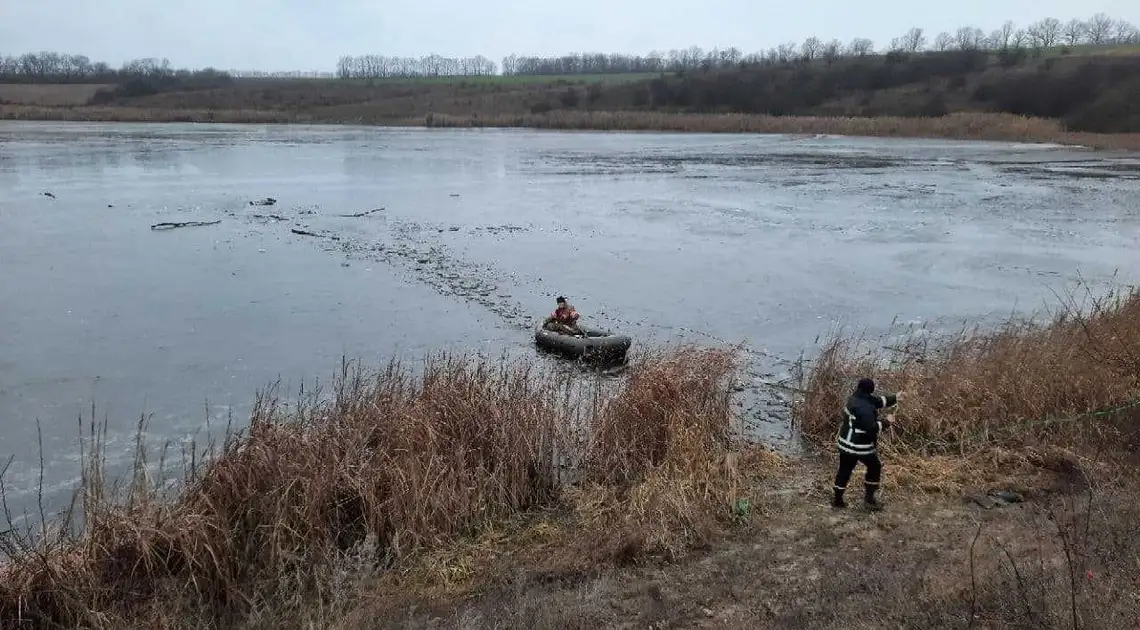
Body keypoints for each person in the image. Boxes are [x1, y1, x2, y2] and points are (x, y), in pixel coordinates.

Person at [832, 377, 903, 511]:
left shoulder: (855, 398)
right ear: (870, 389)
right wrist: (887, 422)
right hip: (860, 445)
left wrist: (895, 397)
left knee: (844, 470)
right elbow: (871, 428)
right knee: (874, 466)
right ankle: (869, 499)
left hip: (845, 443)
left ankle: (837, 500)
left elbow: (876, 401)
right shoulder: (864, 408)